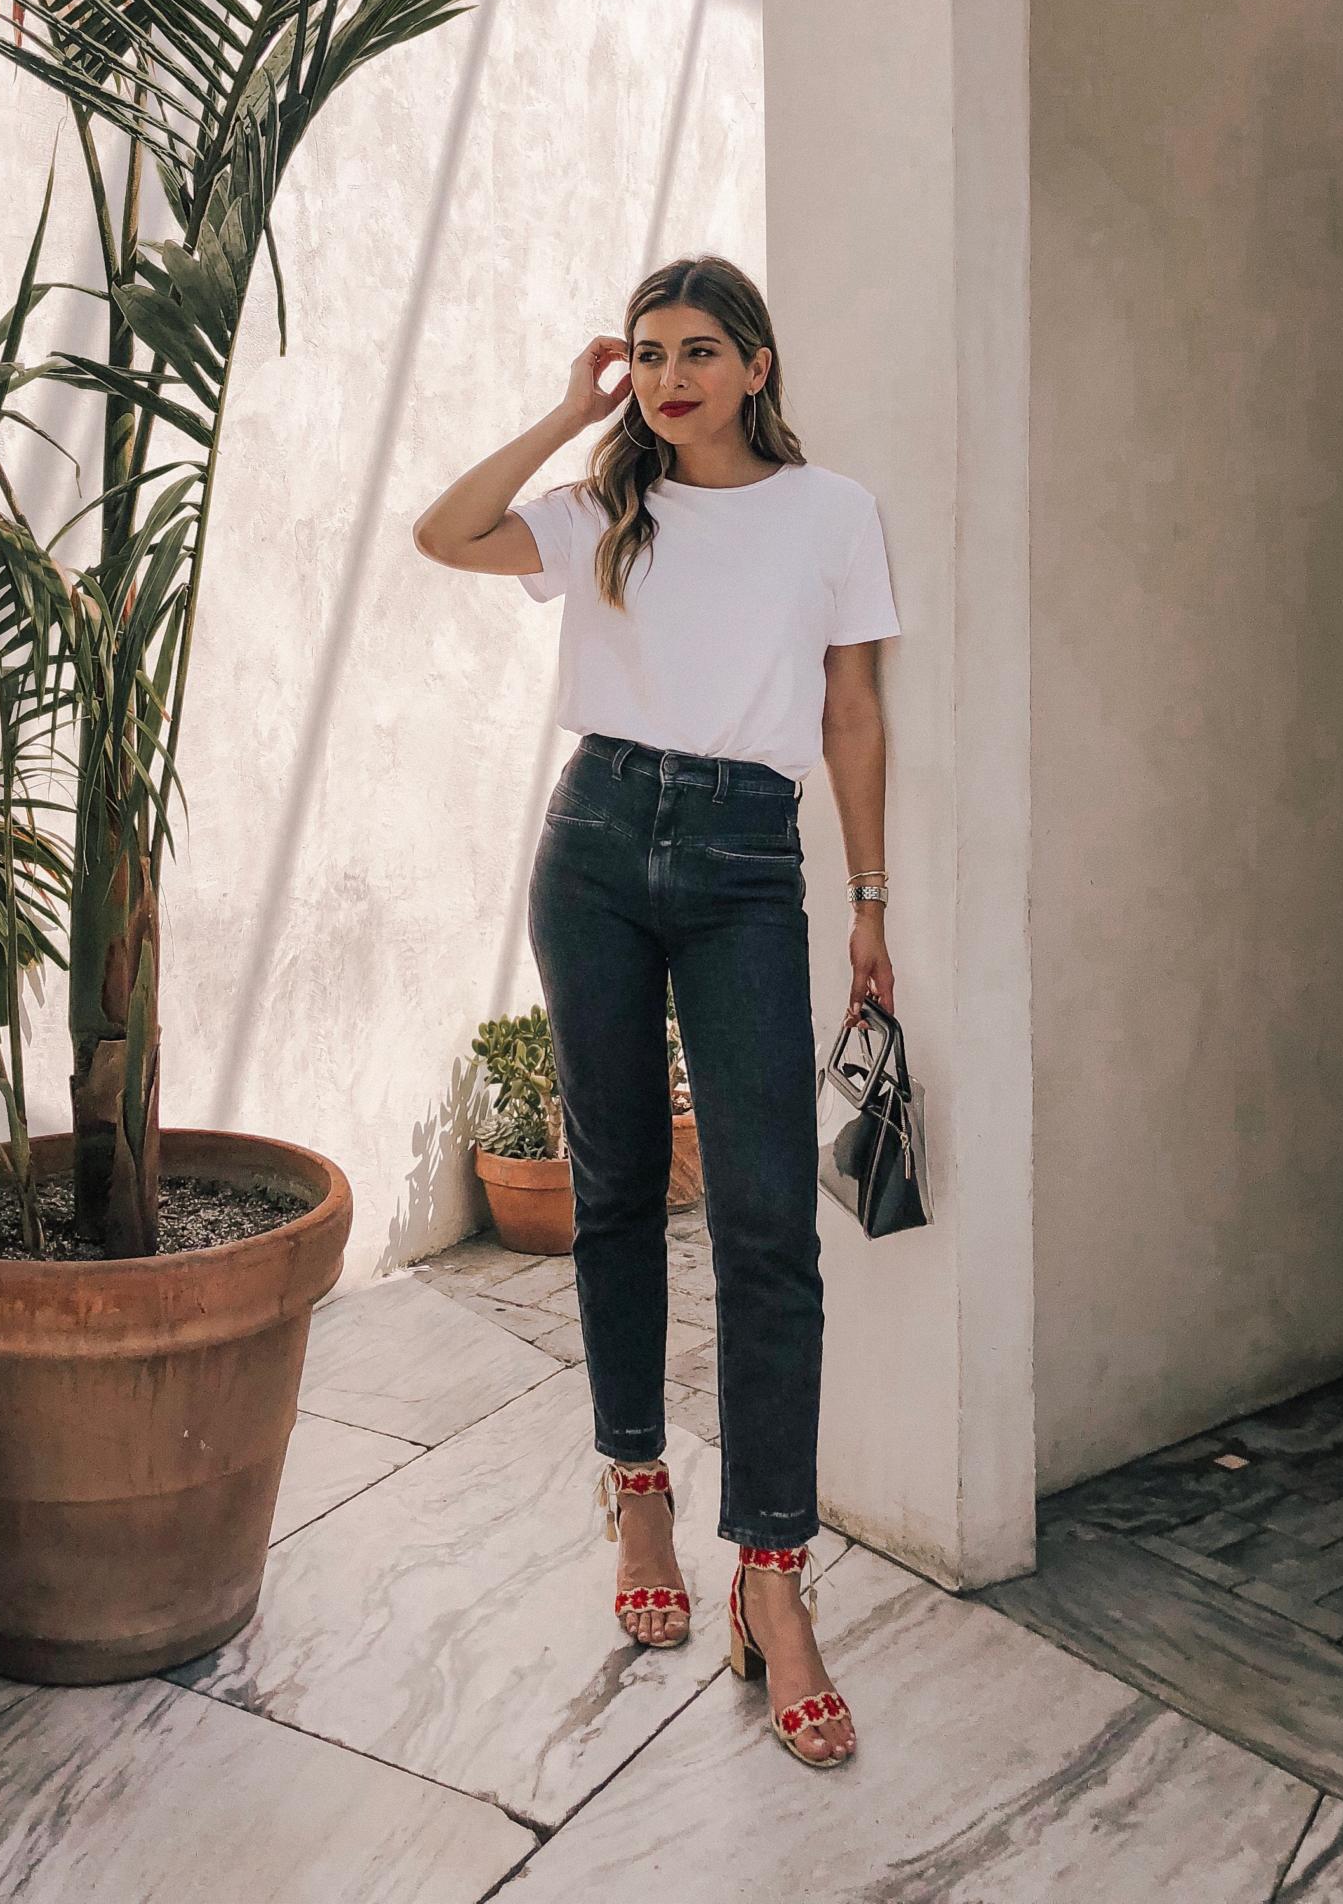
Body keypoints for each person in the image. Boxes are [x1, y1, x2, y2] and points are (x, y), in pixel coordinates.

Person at [412, 253, 899, 1770]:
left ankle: (773, 1575)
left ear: (758, 364)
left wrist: (872, 903)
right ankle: (636, 1490)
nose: (673, 377)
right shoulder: (604, 510)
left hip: (752, 855)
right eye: (649, 354)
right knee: (615, 1185)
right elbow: (445, 530)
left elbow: (852, 711)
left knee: (770, 1224)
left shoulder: (834, 516)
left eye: (702, 351)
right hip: (601, 843)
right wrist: (571, 414)